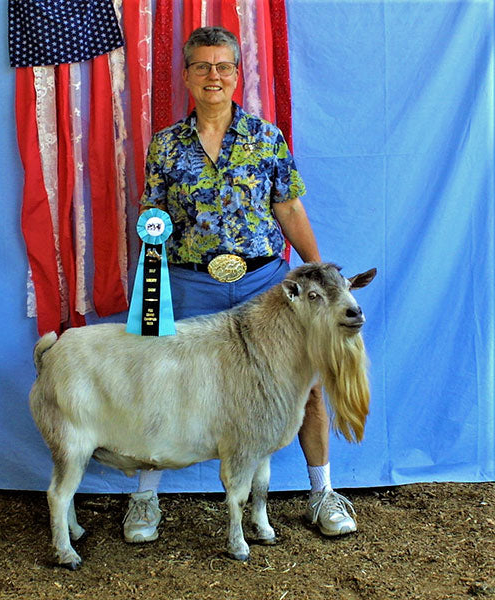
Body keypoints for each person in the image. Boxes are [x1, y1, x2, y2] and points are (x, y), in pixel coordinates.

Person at [123, 26, 357, 544]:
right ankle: (144, 498)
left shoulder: (267, 138)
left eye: (223, 65)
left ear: (237, 74)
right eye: (203, 66)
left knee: (306, 387)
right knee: (160, 382)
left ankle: (322, 493)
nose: (214, 75)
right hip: (189, 282)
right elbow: (153, 219)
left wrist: (322, 275)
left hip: (267, 288)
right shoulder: (165, 146)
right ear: (186, 75)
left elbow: (289, 207)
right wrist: (152, 284)